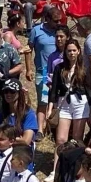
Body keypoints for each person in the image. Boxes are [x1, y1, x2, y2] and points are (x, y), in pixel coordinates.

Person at [48, 39, 91, 175]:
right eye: (69, 51)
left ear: (78, 51)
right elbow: (53, 90)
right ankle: (56, 170)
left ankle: (75, 168)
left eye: (74, 50)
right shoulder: (59, 68)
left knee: (77, 138)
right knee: (61, 139)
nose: (71, 53)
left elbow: (89, 90)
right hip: (64, 103)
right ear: (65, 52)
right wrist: (50, 108)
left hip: (80, 103)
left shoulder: (84, 68)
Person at [27, 8, 63, 138]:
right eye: (55, 21)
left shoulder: (60, 32)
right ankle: (40, 130)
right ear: (47, 19)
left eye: (60, 20)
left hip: (60, 73)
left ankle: (53, 127)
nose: (58, 23)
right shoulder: (36, 31)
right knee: (43, 101)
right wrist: (29, 68)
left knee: (58, 101)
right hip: (42, 72)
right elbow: (28, 49)